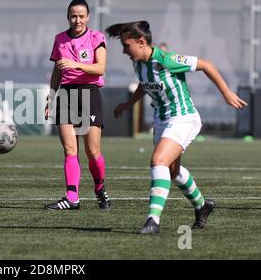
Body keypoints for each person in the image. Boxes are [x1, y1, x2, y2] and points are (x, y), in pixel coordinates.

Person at [106, 21, 247, 234]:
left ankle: (153, 220)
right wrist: (128, 104)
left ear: (141, 42)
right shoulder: (138, 63)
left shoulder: (166, 60)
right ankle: (202, 206)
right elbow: (145, 85)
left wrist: (226, 93)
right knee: (172, 171)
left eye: (127, 45)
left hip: (184, 118)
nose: (124, 51)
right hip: (161, 120)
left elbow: (206, 65)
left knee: (158, 160)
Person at [44, 0, 111, 211]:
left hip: (89, 93)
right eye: (73, 16)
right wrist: (51, 97)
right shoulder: (59, 39)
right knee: (70, 150)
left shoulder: (96, 38)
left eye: (81, 16)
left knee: (92, 152)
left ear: (88, 17)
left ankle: (100, 187)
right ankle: (72, 198)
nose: (78, 20)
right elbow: (56, 71)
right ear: (68, 18)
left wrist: (75, 65)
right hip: (66, 95)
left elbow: (100, 69)